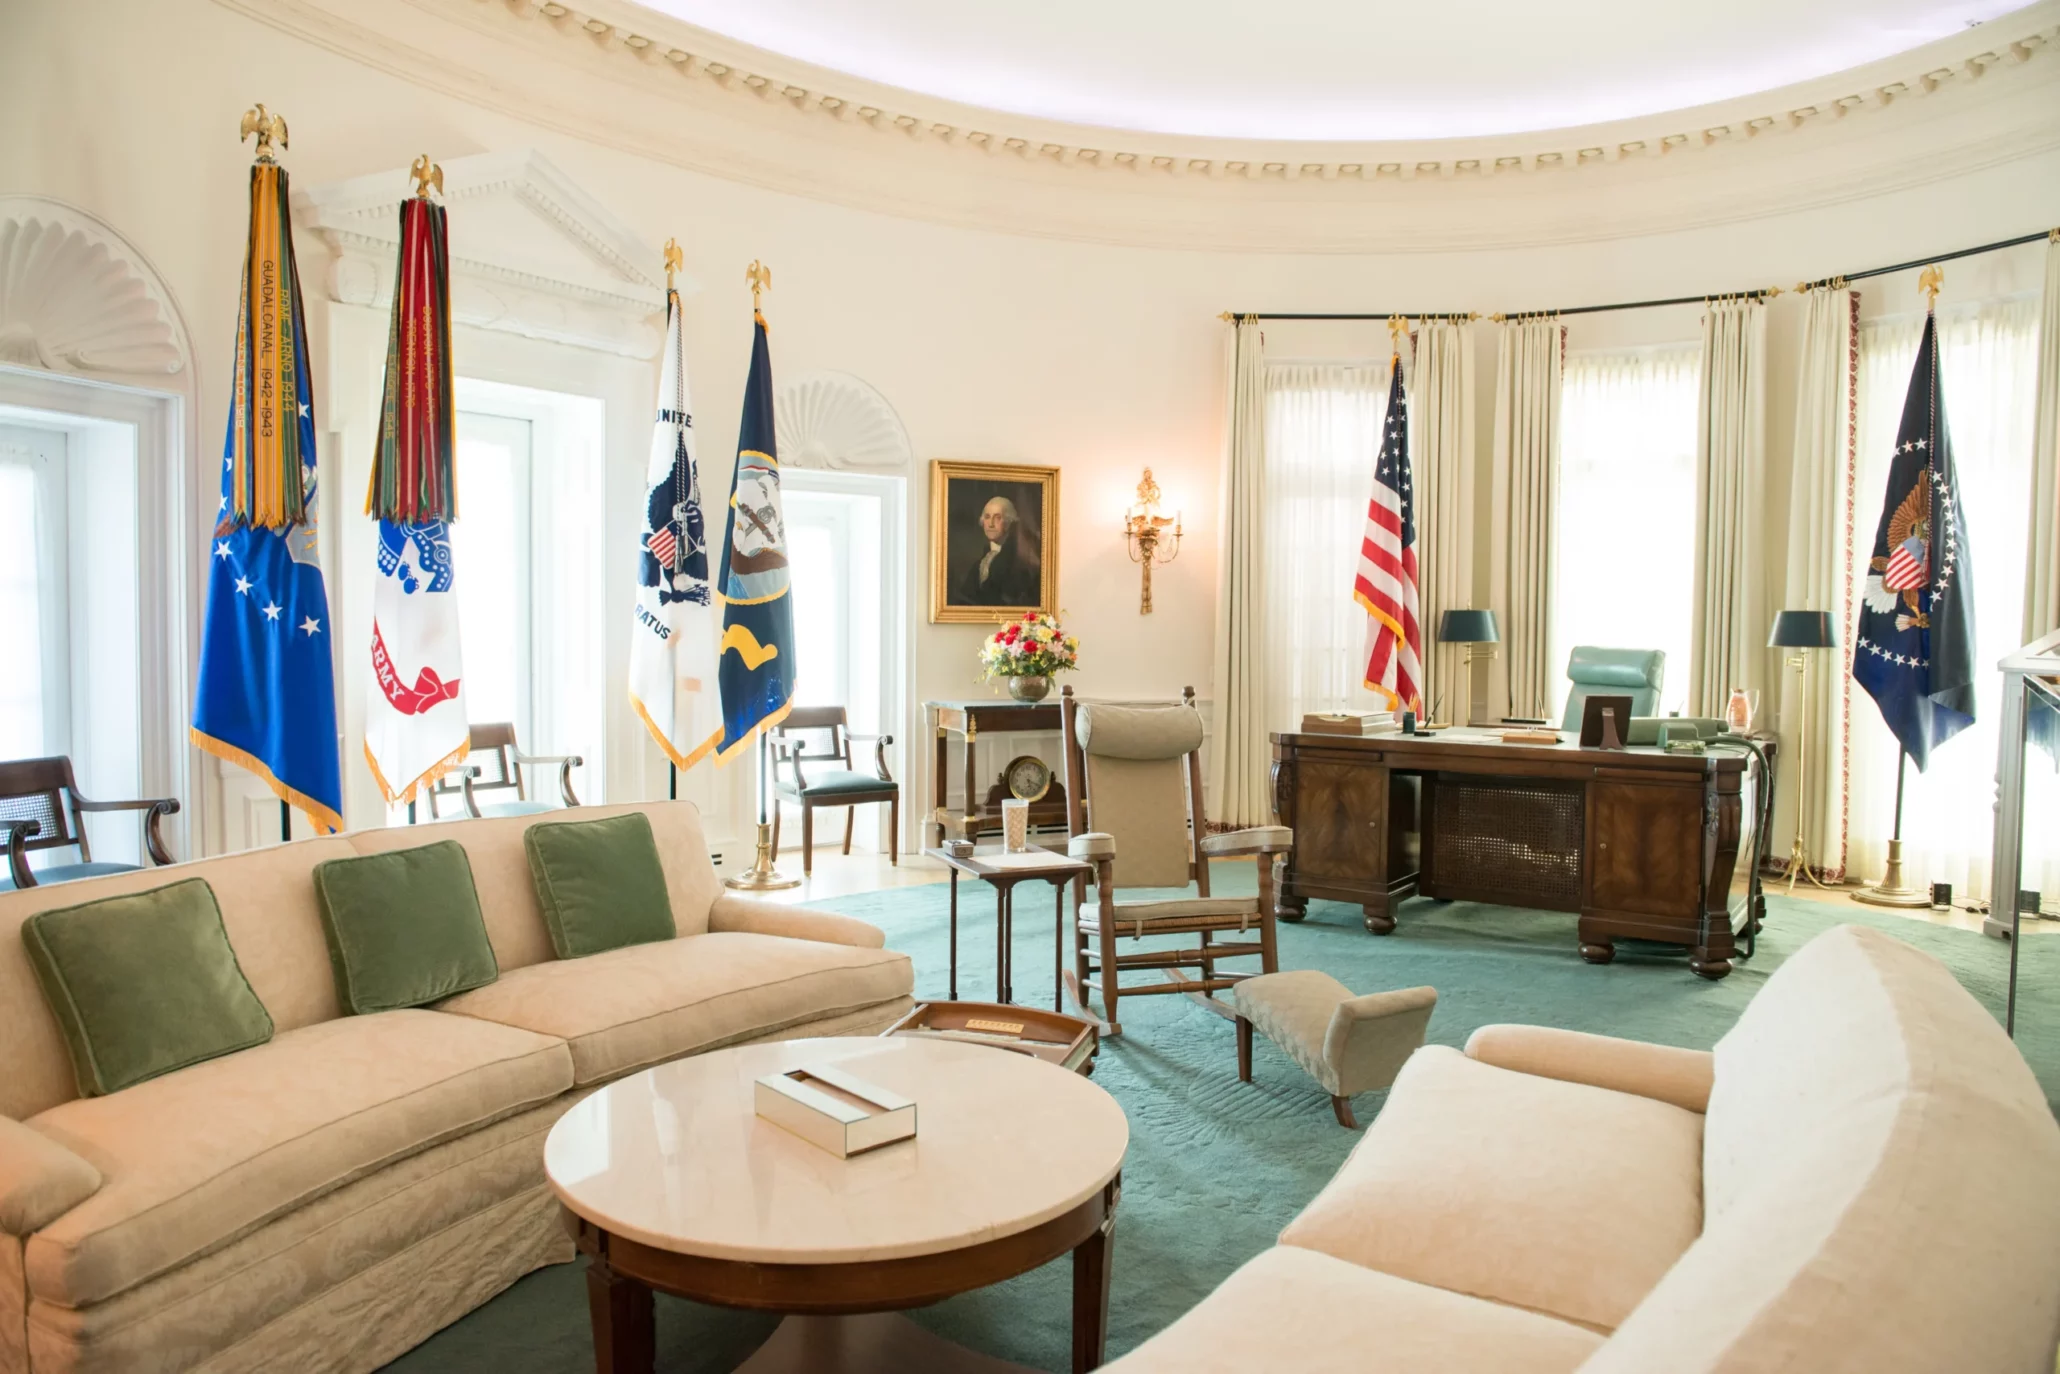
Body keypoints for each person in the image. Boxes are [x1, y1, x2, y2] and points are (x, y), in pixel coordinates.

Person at [951, 494, 1041, 606]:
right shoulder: (980, 562)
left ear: (1009, 522)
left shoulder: (1019, 561)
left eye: (998, 517)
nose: (991, 524)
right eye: (987, 517)